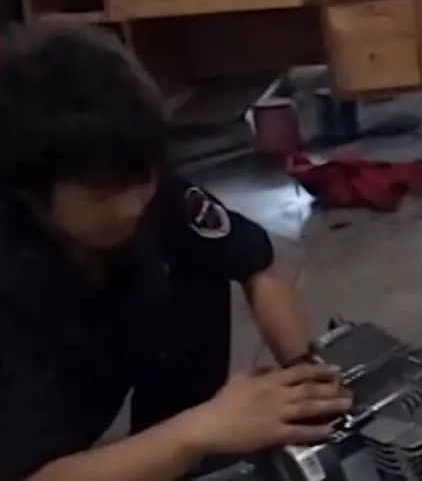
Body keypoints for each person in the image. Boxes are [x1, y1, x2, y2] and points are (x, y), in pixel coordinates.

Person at [0, 25, 351, 480]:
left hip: (100, 382)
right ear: (30, 190)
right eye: (102, 195)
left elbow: (256, 266)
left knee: (197, 257)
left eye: (141, 180)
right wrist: (200, 430)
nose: (131, 207)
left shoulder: (141, 181)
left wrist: (306, 377)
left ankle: (175, 460)